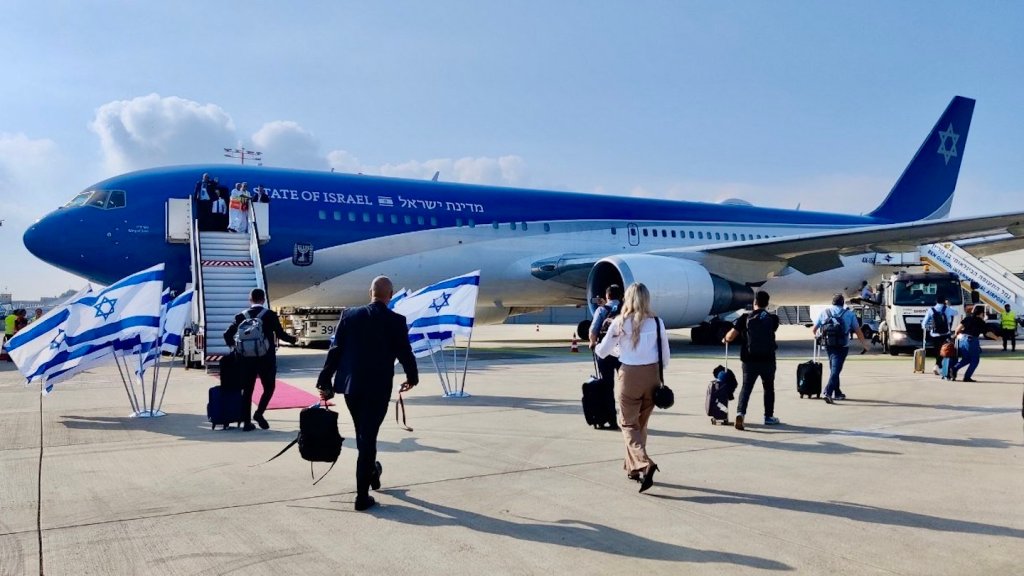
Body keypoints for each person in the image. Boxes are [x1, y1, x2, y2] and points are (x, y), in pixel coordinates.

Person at [317, 276, 418, 511]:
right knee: (368, 438)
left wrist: (324, 379)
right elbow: (405, 352)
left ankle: (371, 471)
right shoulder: (396, 320)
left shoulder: (350, 315)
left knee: (363, 434)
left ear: (369, 292)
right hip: (378, 388)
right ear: (390, 295)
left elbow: (335, 350)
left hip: (352, 388)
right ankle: (362, 496)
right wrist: (412, 377)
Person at [595, 282, 668, 493]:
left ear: (628, 299)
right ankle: (633, 469)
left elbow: (602, 351)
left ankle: (644, 463)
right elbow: (665, 355)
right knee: (640, 425)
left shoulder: (619, 322)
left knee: (627, 425)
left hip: (629, 376)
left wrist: (615, 349)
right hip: (652, 376)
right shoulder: (657, 322)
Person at [223, 289, 298, 432]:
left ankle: (246, 423)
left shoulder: (240, 316)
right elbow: (280, 334)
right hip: (266, 358)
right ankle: (259, 413)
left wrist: (235, 348)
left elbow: (227, 334)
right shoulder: (269, 315)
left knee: (247, 390)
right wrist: (293, 340)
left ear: (250, 300)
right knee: (269, 387)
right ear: (263, 300)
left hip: (246, 359)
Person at [723, 291, 780, 430]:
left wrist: (725, 338)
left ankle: (740, 414)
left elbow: (731, 336)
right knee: (768, 388)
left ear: (754, 302)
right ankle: (768, 417)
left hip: (749, 360)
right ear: (767, 303)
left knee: (746, 388)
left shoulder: (745, 318)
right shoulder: (773, 319)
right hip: (768, 359)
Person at [812, 294, 869, 404]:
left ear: (832, 302)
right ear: (843, 303)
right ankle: (827, 392)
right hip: (842, 346)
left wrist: (819, 337)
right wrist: (864, 344)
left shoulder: (825, 312)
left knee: (834, 368)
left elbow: (814, 330)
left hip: (829, 345)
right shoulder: (849, 314)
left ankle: (837, 392)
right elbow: (858, 331)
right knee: (836, 370)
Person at [588, 284, 624, 419]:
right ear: (621, 296)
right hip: (623, 352)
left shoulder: (602, 310)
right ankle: (626, 415)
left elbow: (593, 330)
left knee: (607, 385)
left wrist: (592, 343)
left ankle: (610, 417)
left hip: (605, 351)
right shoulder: (625, 310)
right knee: (625, 384)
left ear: (607, 295)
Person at [952, 305, 999, 382]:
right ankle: (967, 377)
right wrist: (996, 338)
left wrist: (958, 336)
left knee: (966, 358)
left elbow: (957, 329)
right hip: (972, 340)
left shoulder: (967, 318)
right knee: (975, 360)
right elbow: (987, 333)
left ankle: (954, 368)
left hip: (962, 340)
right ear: (981, 313)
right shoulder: (980, 322)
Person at [922, 296, 957, 375]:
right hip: (945, 334)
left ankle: (938, 366)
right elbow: (956, 313)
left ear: (936, 301)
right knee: (946, 350)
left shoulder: (931, 310)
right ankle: (938, 366)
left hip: (934, 334)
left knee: (938, 351)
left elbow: (924, 323)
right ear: (944, 301)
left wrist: (929, 327)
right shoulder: (947, 309)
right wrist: (949, 305)